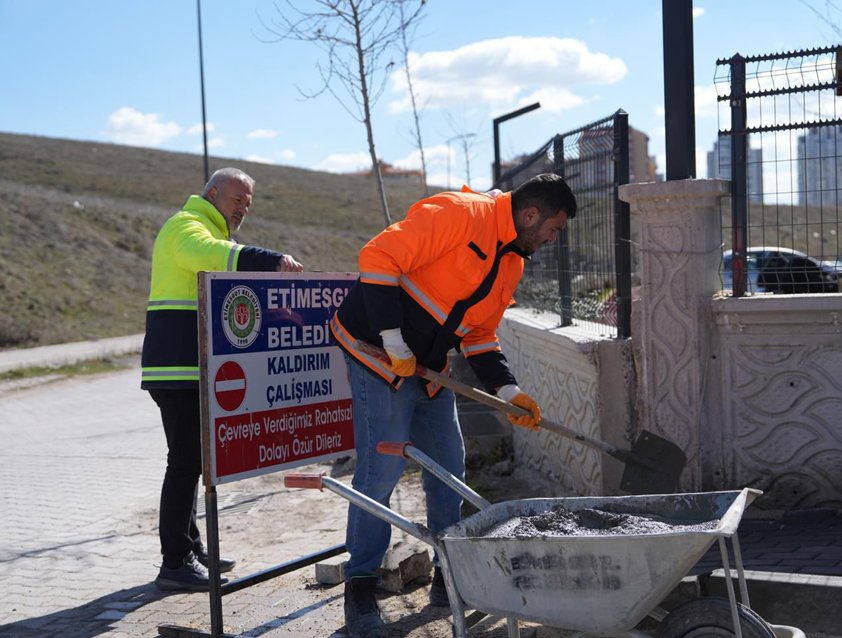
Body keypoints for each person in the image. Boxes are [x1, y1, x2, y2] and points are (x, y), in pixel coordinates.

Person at [329, 173, 577, 636]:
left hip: (427, 366)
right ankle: (360, 589)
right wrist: (392, 340)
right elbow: (377, 257)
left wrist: (508, 392)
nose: (551, 240)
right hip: (374, 349)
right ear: (531, 215)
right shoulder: (461, 214)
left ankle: (451, 576)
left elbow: (480, 336)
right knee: (379, 473)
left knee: (448, 467)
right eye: (553, 229)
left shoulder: (513, 264)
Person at [141, 167, 303, 592]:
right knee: (184, 463)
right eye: (237, 199)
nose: (243, 208)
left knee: (194, 462)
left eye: (248, 203)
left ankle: (191, 547)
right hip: (176, 370)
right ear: (211, 193)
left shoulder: (214, 232)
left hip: (195, 368)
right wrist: (269, 261)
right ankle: (173, 562)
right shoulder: (185, 226)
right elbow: (207, 255)